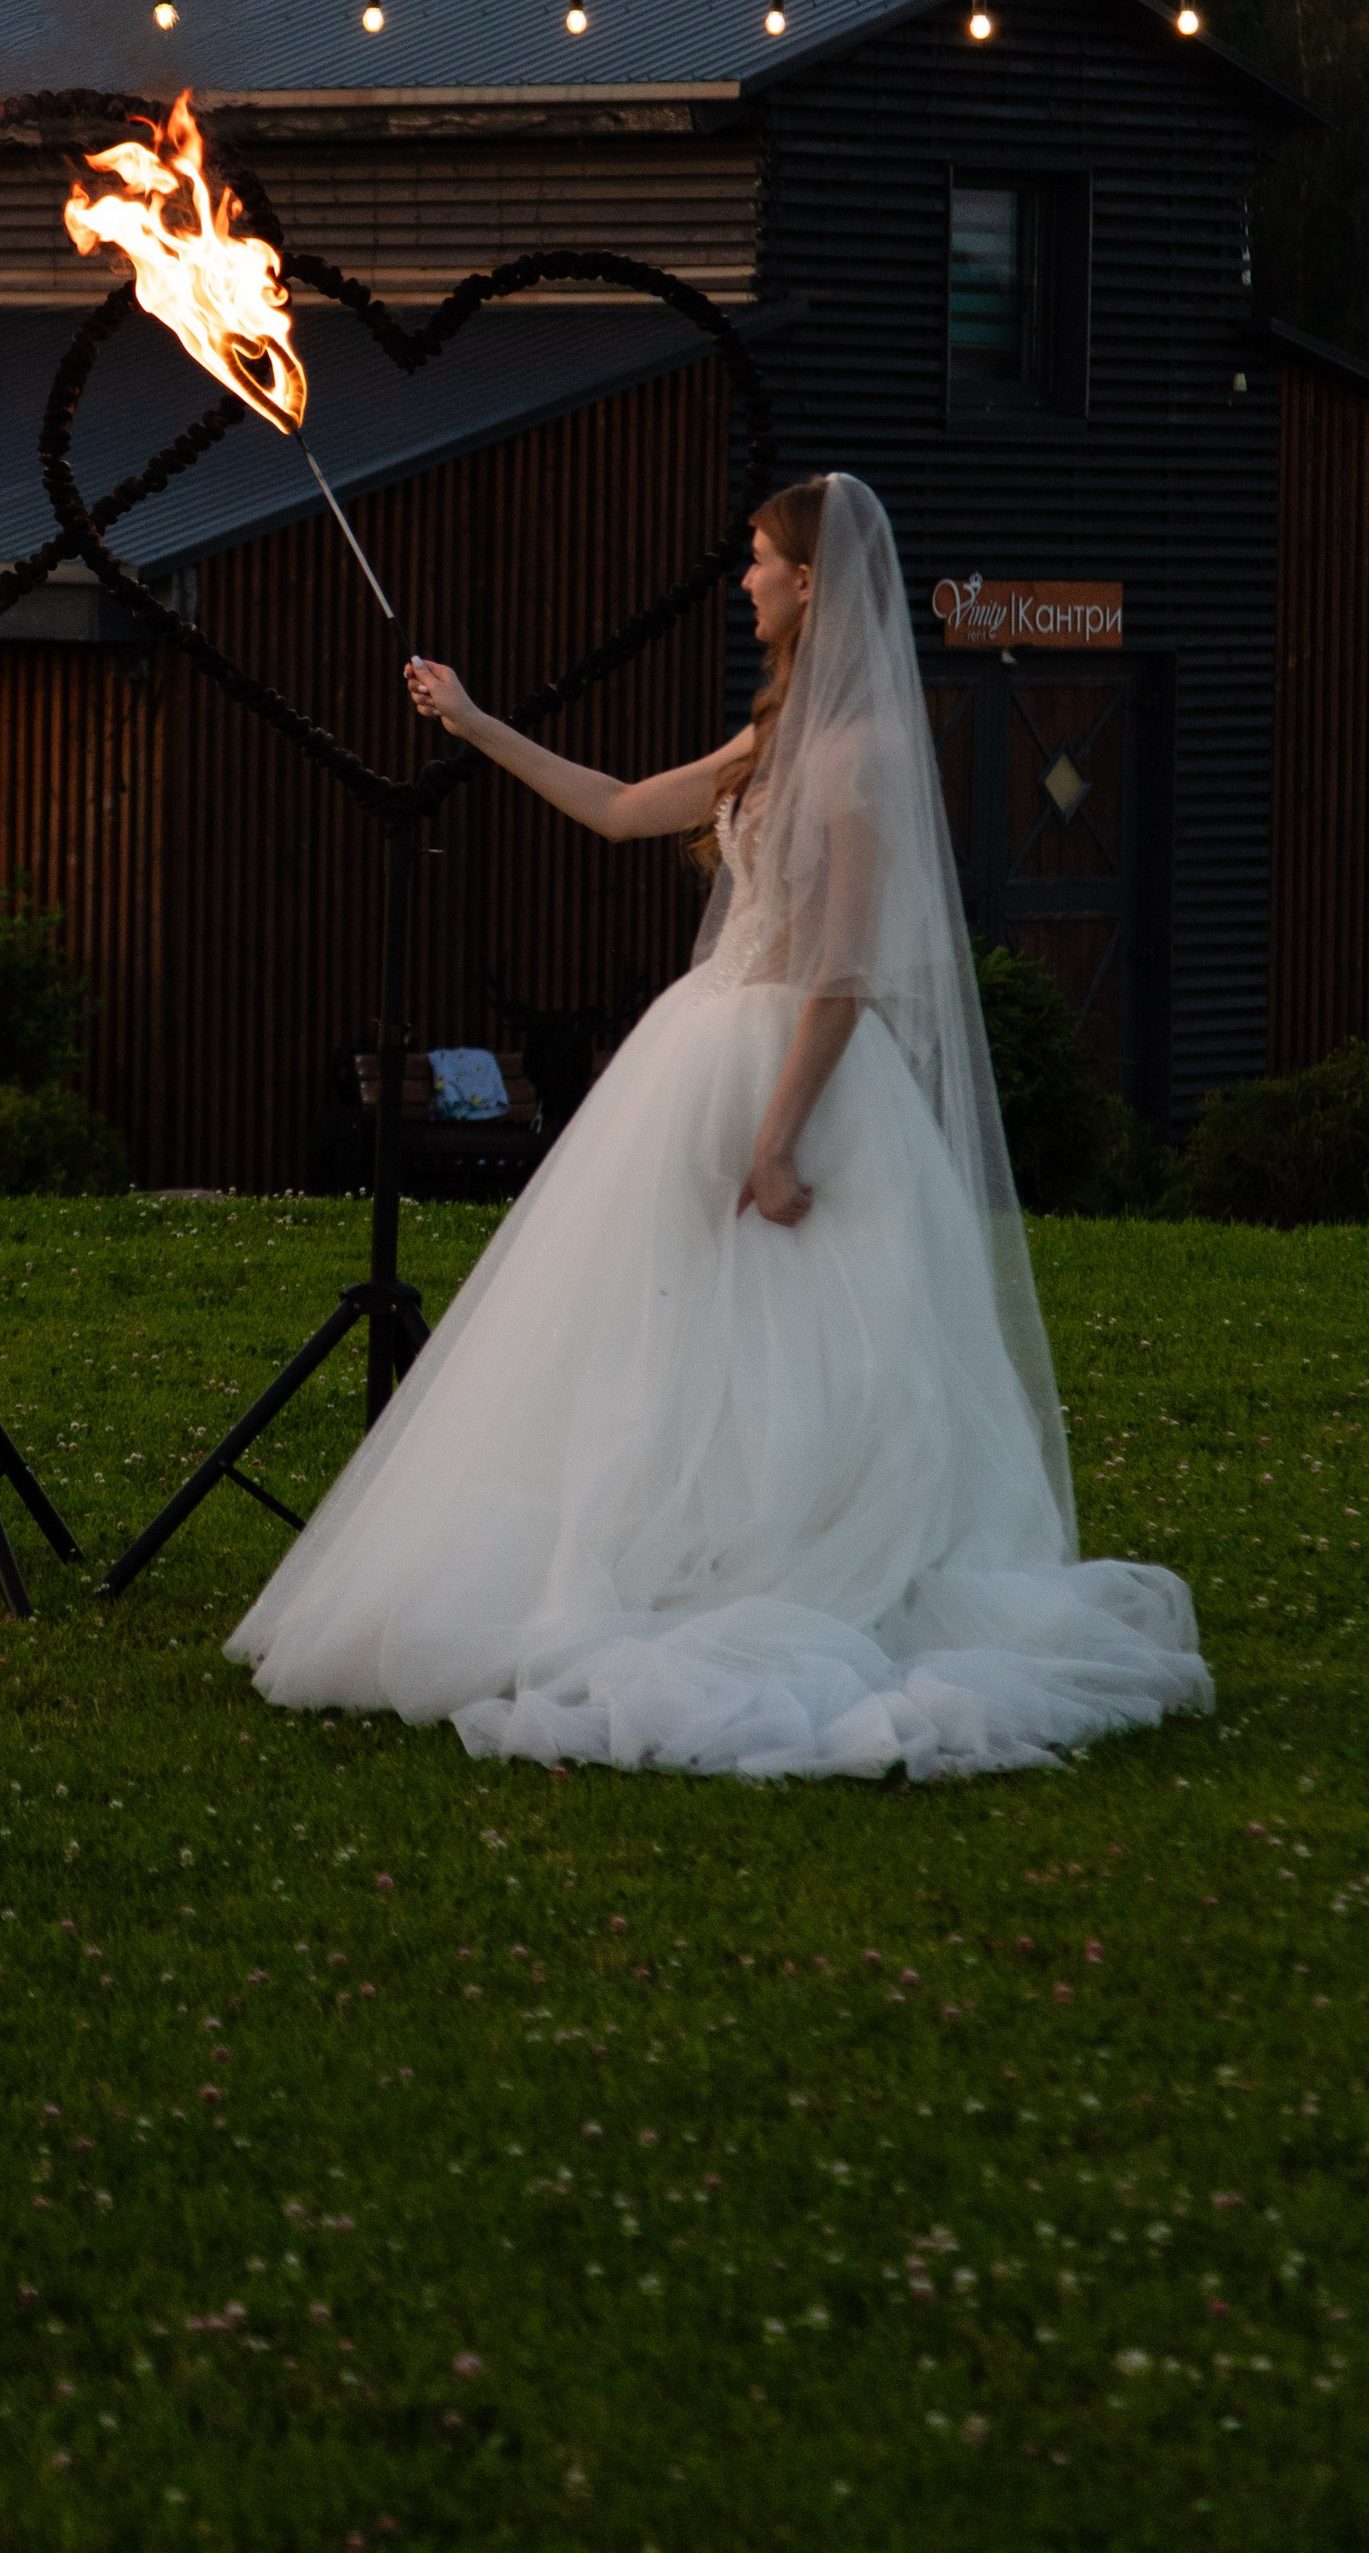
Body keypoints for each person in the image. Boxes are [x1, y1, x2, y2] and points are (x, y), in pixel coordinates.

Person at [227, 472, 1211, 1779]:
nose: (742, 579)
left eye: (757, 560)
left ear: (808, 583)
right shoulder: (772, 742)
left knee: (800, 1342)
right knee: (669, 1330)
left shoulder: (856, 758)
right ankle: (676, 1544)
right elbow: (622, 806)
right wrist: (472, 722)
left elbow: (844, 973)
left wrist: (776, 1137)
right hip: (702, 1055)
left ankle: (784, 1558)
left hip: (793, 1077)